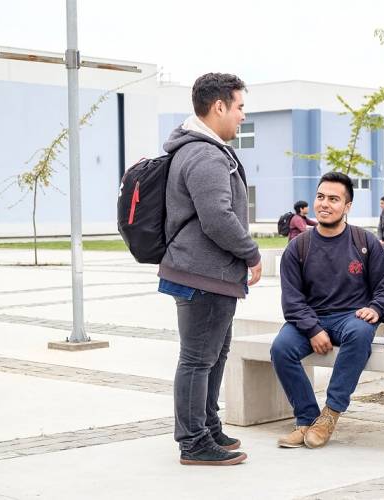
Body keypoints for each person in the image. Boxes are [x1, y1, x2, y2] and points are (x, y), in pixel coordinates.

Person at [159, 73, 261, 466]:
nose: (241, 117)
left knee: (214, 354)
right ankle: (193, 441)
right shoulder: (204, 154)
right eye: (239, 108)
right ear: (218, 106)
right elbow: (217, 217)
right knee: (198, 358)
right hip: (203, 274)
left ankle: (208, 424)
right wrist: (252, 253)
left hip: (210, 273)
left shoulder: (204, 149)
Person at [271, 172, 384, 449]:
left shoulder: (364, 243)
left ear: (348, 206)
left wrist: (377, 308)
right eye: (320, 197)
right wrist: (313, 329)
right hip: (311, 317)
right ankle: (306, 418)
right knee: (281, 348)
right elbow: (292, 300)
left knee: (360, 332)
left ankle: (330, 414)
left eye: (333, 199)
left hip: (350, 318)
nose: (324, 204)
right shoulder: (298, 247)